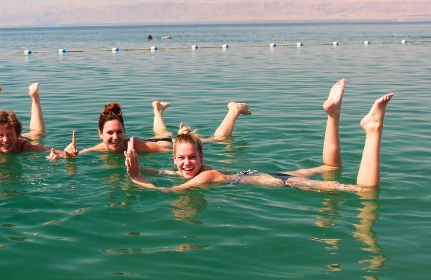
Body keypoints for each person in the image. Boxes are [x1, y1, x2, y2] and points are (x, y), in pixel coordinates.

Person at [125, 79, 393, 194]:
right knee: (330, 167)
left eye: (192, 157)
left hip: (278, 182)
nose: (186, 163)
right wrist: (142, 167)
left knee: (362, 191)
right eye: (182, 159)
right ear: (174, 160)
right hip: (261, 174)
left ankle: (373, 129)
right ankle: (332, 115)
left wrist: (137, 177)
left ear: (202, 157)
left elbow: (169, 192)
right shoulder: (192, 172)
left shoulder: (204, 176)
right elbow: (167, 176)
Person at [54, 100, 251, 158]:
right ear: (100, 134)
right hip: (157, 141)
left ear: (124, 131)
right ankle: (157, 110)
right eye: (109, 133)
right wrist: (66, 154)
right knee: (161, 133)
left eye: (119, 132)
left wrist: (182, 140)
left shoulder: (133, 145)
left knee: (216, 140)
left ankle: (233, 110)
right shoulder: (102, 148)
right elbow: (79, 154)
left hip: (164, 146)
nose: (115, 137)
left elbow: (165, 148)